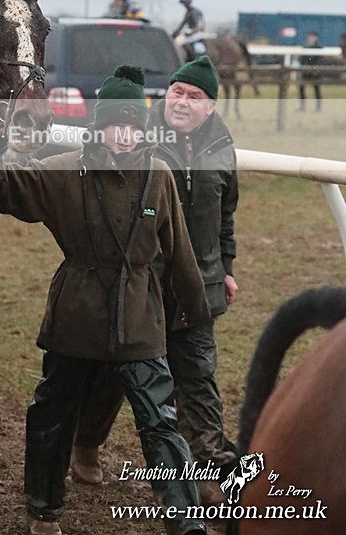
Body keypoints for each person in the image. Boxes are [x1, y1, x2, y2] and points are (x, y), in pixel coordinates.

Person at [0, 64, 210, 535]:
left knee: (160, 422)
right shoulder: (65, 169)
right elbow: (7, 188)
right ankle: (44, 512)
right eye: (114, 125)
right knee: (52, 415)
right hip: (75, 316)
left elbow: (181, 253)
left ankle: (186, 522)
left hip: (140, 321)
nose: (123, 136)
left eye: (132, 126)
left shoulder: (159, 175)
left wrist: (197, 315)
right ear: (99, 127)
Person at [72, 55, 239, 506]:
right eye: (177, 92)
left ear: (211, 107)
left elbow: (225, 216)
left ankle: (206, 469)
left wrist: (225, 267)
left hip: (198, 284)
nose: (182, 102)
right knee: (116, 374)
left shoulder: (222, 148)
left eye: (195, 96)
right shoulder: (140, 141)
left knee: (198, 376)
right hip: (139, 282)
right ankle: (85, 442)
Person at [298, 30, 323, 112]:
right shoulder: (305, 47)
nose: (311, 38)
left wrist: (316, 69)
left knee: (317, 89)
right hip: (305, 72)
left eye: (312, 36)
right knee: (301, 88)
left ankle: (318, 107)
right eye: (310, 36)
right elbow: (301, 59)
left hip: (315, 72)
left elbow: (320, 60)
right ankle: (302, 106)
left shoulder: (319, 48)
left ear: (316, 37)